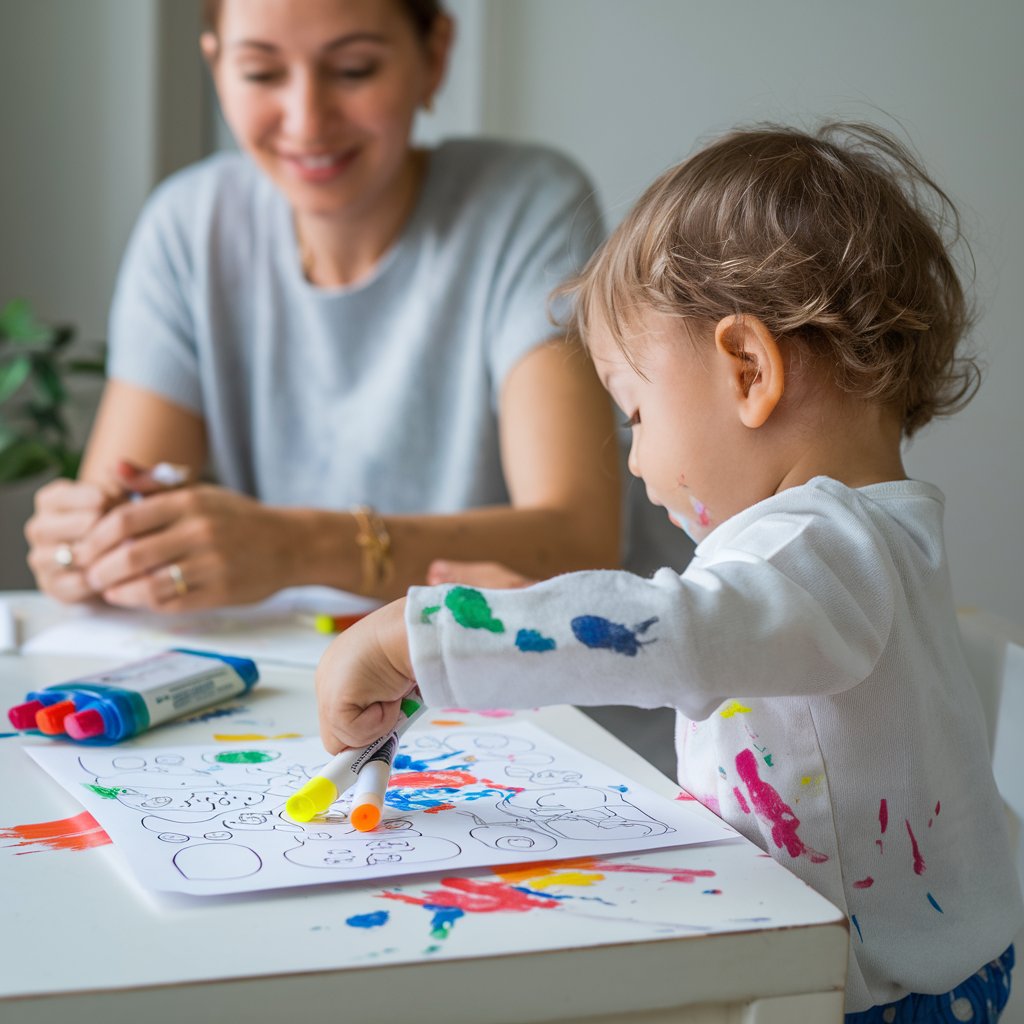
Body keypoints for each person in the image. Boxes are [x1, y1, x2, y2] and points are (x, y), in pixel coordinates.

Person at [314, 122, 1023, 1019]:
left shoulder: (821, 547)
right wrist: (518, 612)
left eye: (638, 414)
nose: (638, 463)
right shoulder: (872, 537)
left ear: (748, 369)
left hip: (869, 998)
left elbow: (674, 635)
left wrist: (419, 635)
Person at [23, 0, 621, 611]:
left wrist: (299, 548)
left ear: (435, 56)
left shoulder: (525, 205)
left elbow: (579, 540)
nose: (307, 122)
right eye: (261, 74)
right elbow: (124, 506)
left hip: (533, 684)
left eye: (355, 69)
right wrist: (93, 549)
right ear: (217, 65)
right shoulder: (188, 226)